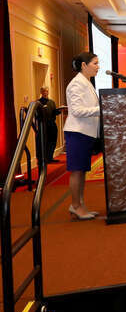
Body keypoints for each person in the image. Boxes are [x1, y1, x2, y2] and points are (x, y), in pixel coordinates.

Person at [63, 52, 101, 220]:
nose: (98, 67)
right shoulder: (76, 84)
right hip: (77, 132)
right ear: (84, 65)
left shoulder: (86, 82)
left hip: (85, 133)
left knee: (82, 171)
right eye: (95, 63)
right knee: (77, 171)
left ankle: (80, 205)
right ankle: (76, 206)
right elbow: (77, 111)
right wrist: (102, 109)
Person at [37, 86, 61, 163]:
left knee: (53, 141)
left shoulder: (52, 102)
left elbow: (54, 112)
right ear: (41, 92)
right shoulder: (38, 102)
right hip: (43, 125)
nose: (45, 93)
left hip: (52, 125)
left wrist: (59, 110)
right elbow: (36, 114)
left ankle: (50, 158)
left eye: (47, 91)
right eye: (44, 91)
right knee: (45, 142)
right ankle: (44, 159)